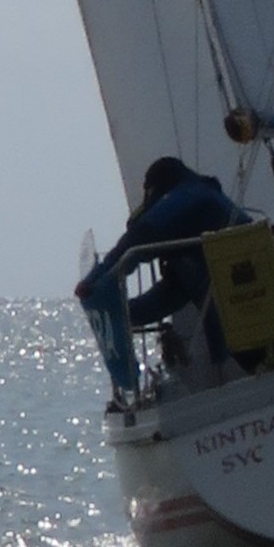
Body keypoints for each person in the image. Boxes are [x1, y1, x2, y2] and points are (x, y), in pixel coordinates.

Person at [74, 155, 239, 391]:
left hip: (249, 325)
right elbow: (170, 296)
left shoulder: (187, 199)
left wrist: (95, 281)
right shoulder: (195, 247)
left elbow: (138, 239)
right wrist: (125, 314)